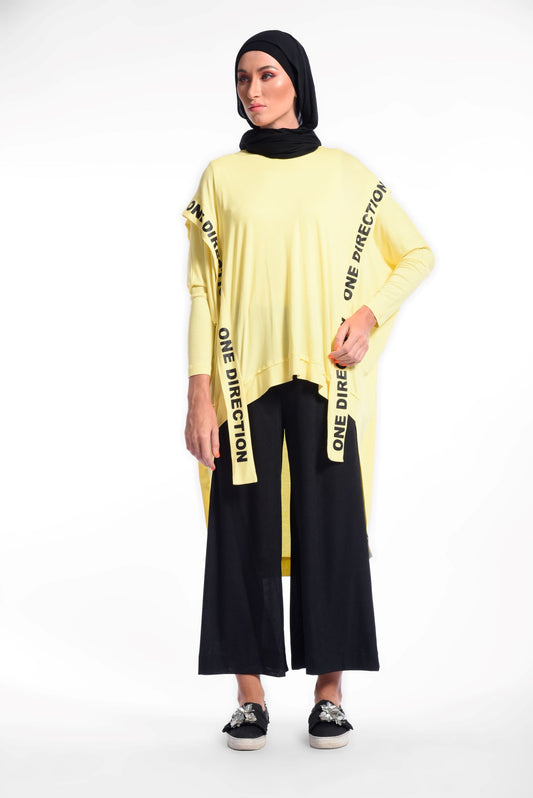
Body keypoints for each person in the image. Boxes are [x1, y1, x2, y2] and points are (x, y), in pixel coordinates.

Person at [182, 29, 434, 751]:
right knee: (239, 529)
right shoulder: (221, 177)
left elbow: (415, 254)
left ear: (297, 80)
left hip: (327, 377)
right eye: (242, 79)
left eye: (267, 75)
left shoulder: (346, 173)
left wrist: (368, 315)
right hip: (240, 380)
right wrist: (198, 392)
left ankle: (329, 695)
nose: (253, 91)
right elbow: (201, 289)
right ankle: (249, 697)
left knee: (332, 529)